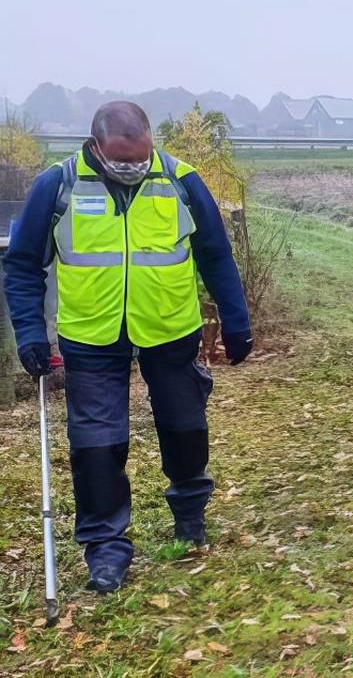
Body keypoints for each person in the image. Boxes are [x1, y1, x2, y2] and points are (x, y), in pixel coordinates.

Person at [3, 101, 252, 593]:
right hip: (91, 335)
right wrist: (30, 332)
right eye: (122, 160)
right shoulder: (58, 186)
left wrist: (236, 319)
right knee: (97, 444)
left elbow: (216, 255)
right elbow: (23, 264)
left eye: (141, 157)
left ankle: (189, 514)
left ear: (150, 143)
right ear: (96, 146)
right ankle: (106, 550)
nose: (133, 167)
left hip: (170, 329)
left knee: (184, 427)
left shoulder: (181, 181)